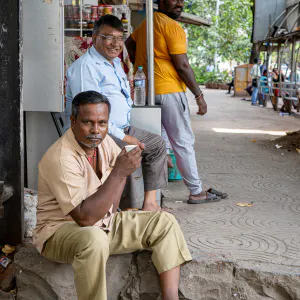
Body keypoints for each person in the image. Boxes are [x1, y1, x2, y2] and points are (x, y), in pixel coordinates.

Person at [33, 91, 192, 300]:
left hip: (102, 223)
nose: (96, 131)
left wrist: (122, 174)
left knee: (164, 222)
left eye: (102, 123)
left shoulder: (105, 142)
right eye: (88, 123)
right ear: (72, 122)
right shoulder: (61, 158)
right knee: (93, 237)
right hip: (59, 233)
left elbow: (111, 205)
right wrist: (119, 172)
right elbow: (85, 219)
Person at [126, 0, 227, 204]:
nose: (179, 3)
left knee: (154, 142)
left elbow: (129, 44)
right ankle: (196, 191)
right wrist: (199, 96)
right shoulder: (172, 27)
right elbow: (182, 65)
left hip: (146, 91)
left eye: (182, 0)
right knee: (183, 142)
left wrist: (142, 66)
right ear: (161, 2)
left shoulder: (147, 23)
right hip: (170, 91)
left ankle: (150, 195)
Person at [64, 15, 167, 211]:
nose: (116, 44)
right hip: (98, 133)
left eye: (120, 38)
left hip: (120, 129)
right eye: (109, 37)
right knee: (126, 154)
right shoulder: (87, 66)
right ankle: (110, 214)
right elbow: (89, 116)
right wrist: (124, 137)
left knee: (156, 145)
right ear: (94, 38)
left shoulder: (115, 63)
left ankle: (150, 205)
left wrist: (126, 133)